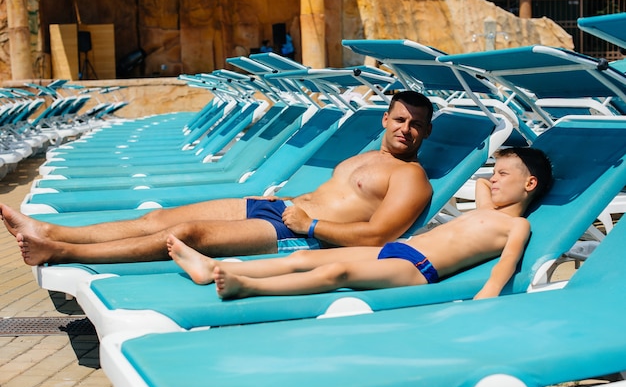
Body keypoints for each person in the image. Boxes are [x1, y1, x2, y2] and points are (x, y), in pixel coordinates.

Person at [1, 91, 434, 266]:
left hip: (301, 232)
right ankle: (50, 230)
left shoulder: (412, 178)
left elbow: (379, 234)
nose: (405, 129)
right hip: (282, 208)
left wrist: (312, 226)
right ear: (385, 118)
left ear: (426, 133)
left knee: (187, 234)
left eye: (415, 125)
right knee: (159, 218)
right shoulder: (365, 156)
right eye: (399, 119)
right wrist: (292, 202)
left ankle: (59, 252)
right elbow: (335, 194)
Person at [166, 147, 553, 300]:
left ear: (530, 184)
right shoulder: (487, 209)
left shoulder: (516, 228)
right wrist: (503, 174)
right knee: (304, 259)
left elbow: (504, 270)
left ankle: (246, 286)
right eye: (496, 173)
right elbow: (485, 186)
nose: (493, 178)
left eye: (504, 174)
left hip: (417, 268)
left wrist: (483, 302)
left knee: (338, 270)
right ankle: (211, 268)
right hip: (396, 250)